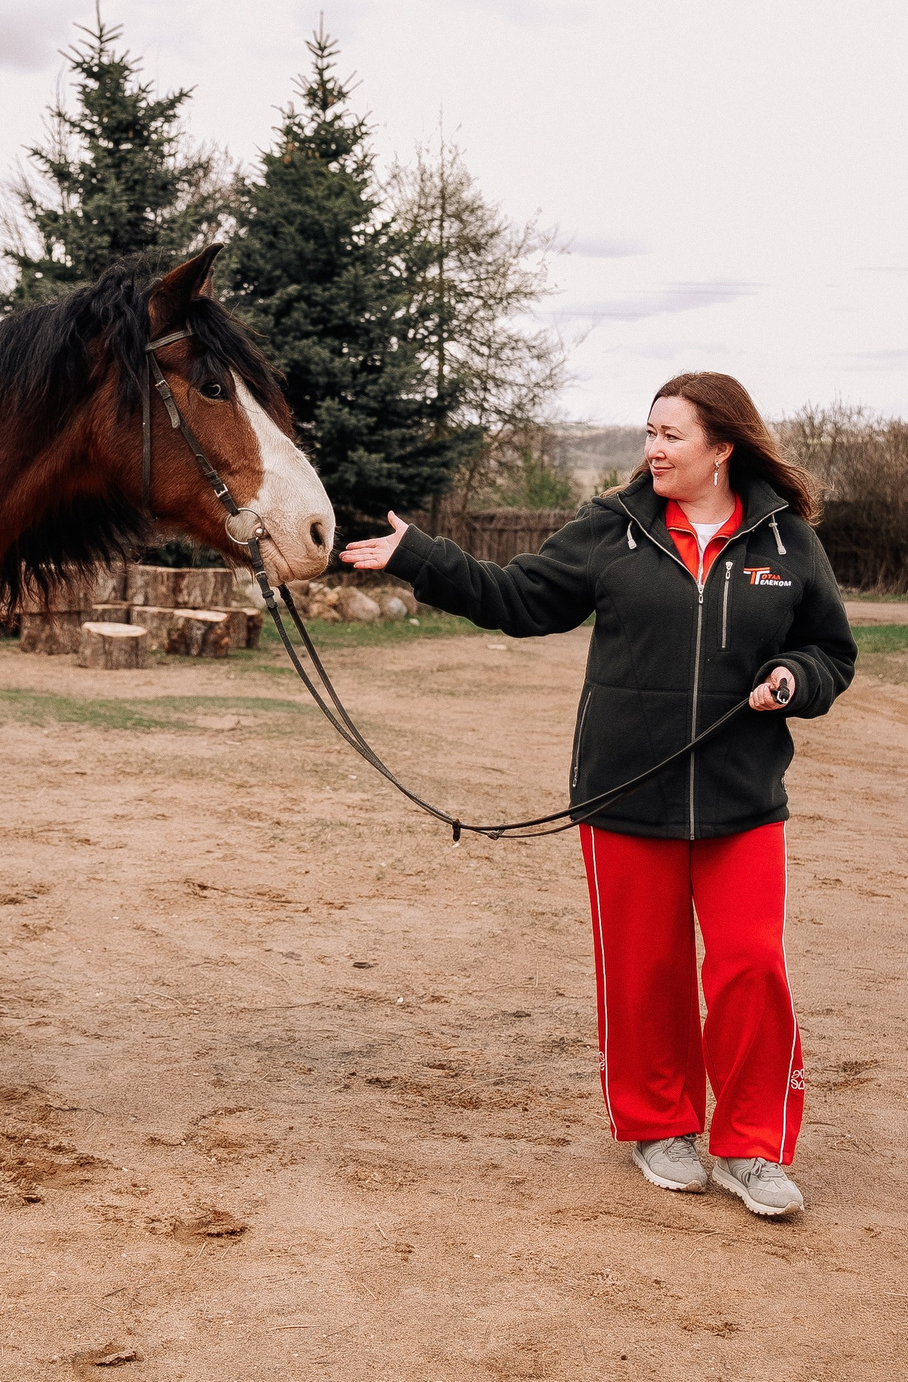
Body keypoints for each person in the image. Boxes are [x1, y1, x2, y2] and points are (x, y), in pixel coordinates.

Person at [342, 371, 854, 1218]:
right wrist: (421, 558)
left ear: (721, 448)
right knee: (645, 969)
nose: (653, 448)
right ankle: (662, 1126)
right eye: (649, 432)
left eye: (672, 435)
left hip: (742, 796)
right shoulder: (612, 530)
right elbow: (519, 596)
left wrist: (794, 676)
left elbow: (830, 649)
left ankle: (751, 1147)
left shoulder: (785, 539)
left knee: (751, 965)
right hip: (624, 792)